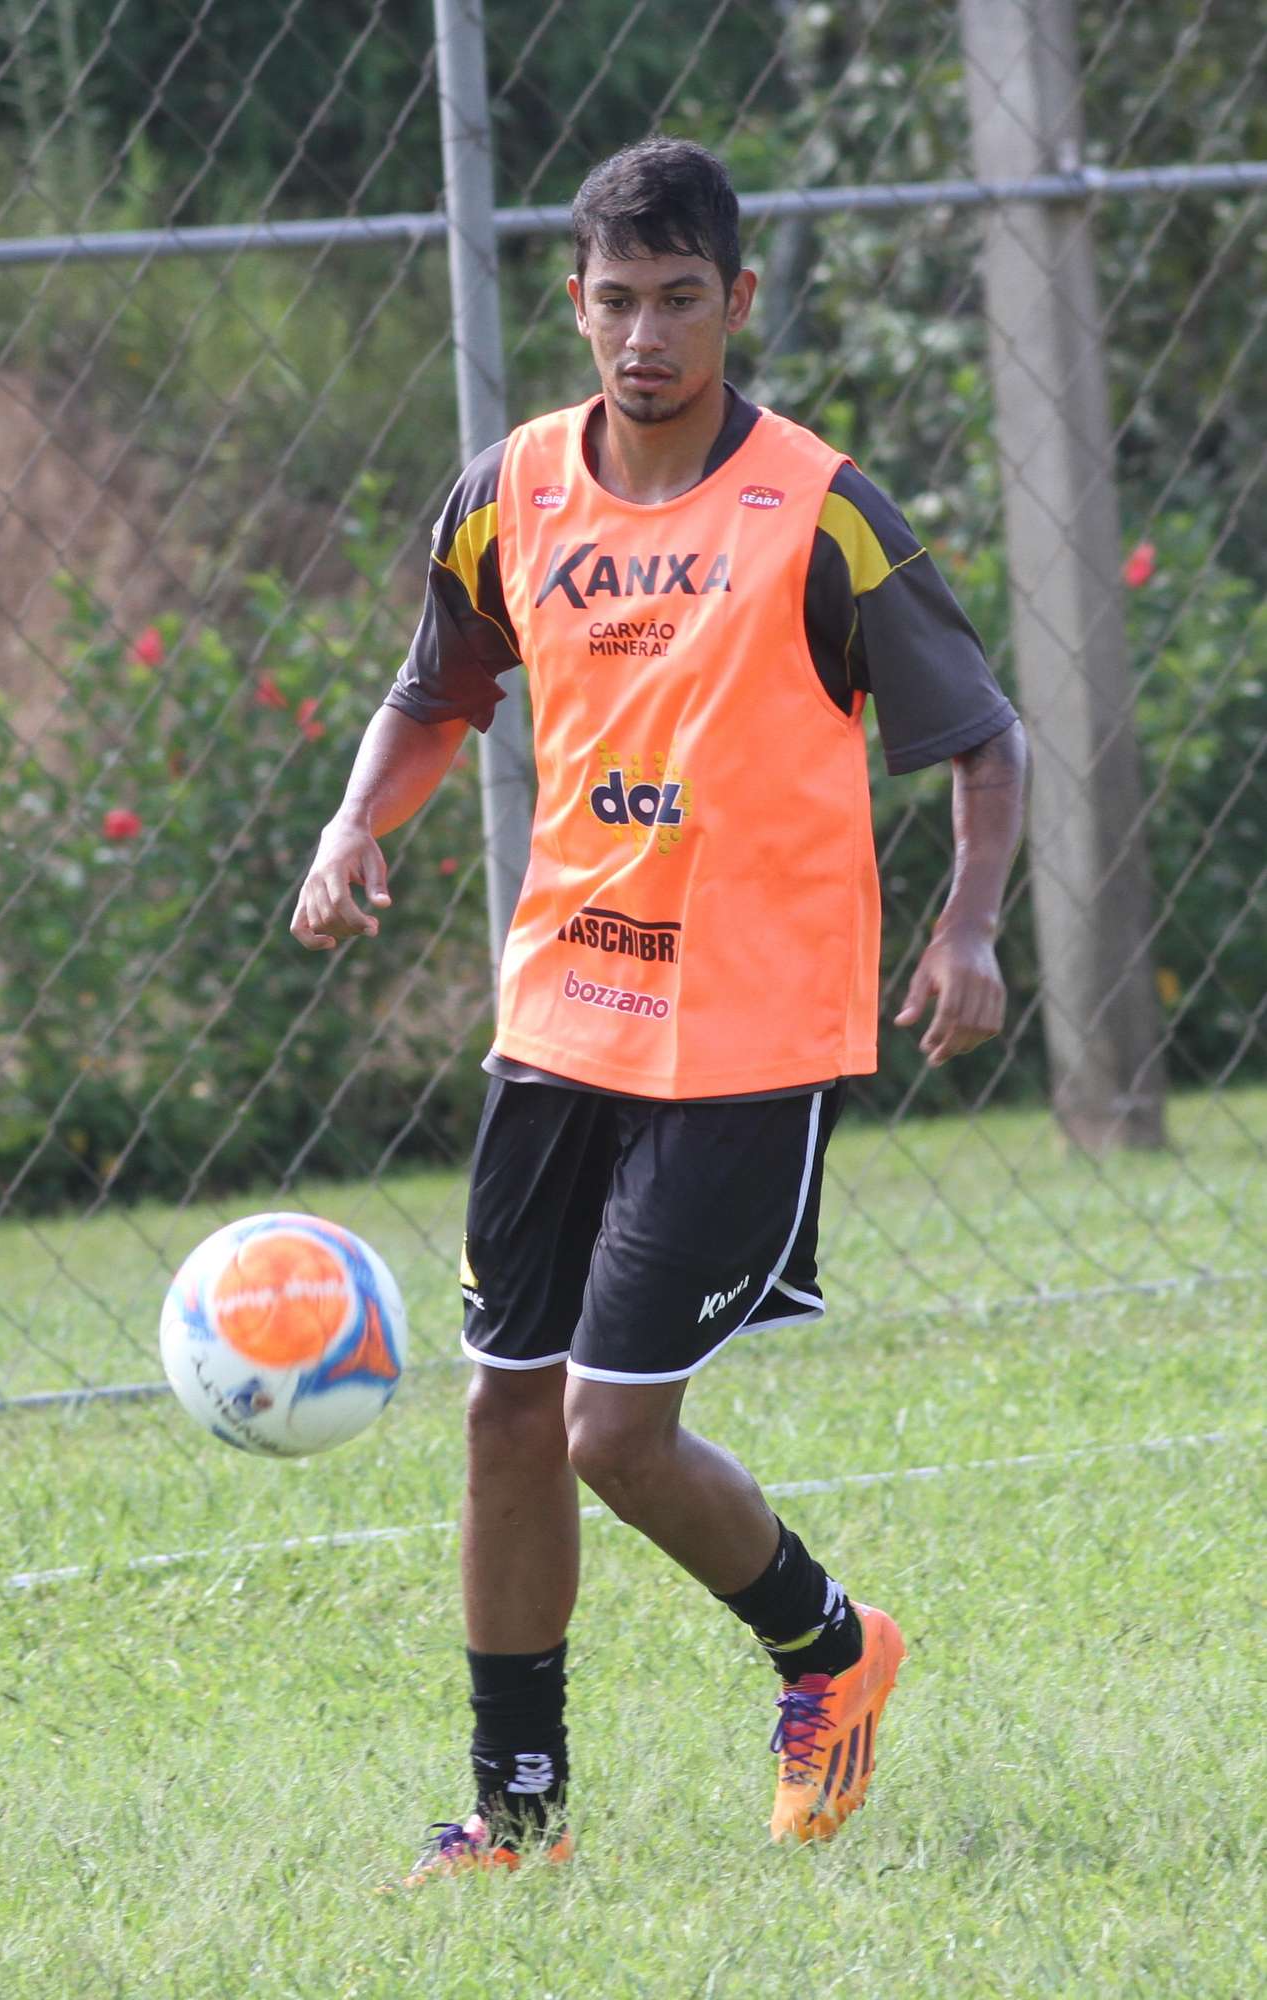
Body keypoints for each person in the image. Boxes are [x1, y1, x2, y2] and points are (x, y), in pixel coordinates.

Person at [292, 138, 1027, 1882]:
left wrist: (968, 929)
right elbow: (436, 691)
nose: (644, 336)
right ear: (574, 305)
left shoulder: (820, 512)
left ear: (735, 302)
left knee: (610, 1429)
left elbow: (981, 738)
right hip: (561, 1012)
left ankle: (829, 1647)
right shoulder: (508, 495)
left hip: (748, 1035)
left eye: (678, 300)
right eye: (616, 301)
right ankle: (517, 1814)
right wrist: (352, 823)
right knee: (502, 1406)